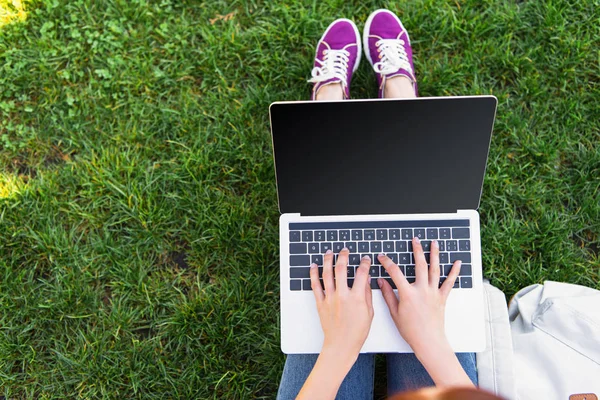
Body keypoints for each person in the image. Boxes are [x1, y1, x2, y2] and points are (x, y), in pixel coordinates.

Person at [276, 9, 502, 400]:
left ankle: (327, 106)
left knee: (336, 273)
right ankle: (400, 99)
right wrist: (430, 339)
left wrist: (339, 348)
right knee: (429, 262)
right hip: (436, 352)